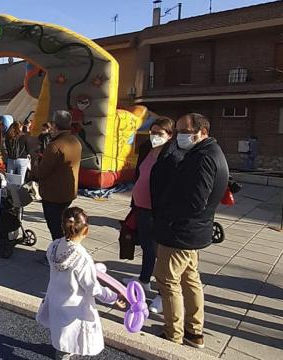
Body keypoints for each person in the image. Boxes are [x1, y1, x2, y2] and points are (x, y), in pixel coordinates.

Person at [153, 113, 229, 349]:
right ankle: (194, 332)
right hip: (193, 231)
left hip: (181, 232)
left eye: (184, 131)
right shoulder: (206, 153)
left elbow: (195, 201)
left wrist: (168, 215)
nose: (179, 136)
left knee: (167, 281)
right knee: (190, 279)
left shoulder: (203, 157)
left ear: (202, 132)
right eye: (177, 131)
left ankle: (173, 333)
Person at [37, 207, 120, 360]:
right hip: (74, 304)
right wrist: (113, 297)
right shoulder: (82, 258)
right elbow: (92, 288)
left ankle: (60, 348)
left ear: (63, 226)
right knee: (72, 331)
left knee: (60, 329)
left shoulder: (53, 246)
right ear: (86, 230)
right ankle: (63, 353)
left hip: (56, 298)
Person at [121, 117, 178, 312]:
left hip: (158, 211)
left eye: (159, 134)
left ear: (169, 136)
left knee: (160, 253)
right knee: (146, 246)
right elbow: (140, 176)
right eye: (153, 132)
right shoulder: (147, 149)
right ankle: (144, 280)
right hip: (141, 207)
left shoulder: (172, 155)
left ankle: (163, 295)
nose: (155, 137)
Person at [32, 110, 83, 240]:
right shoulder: (75, 142)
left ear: (54, 125)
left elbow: (41, 172)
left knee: (55, 226)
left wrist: (36, 161)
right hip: (68, 191)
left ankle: (58, 254)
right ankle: (64, 249)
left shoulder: (55, 146)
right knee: (63, 224)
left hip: (53, 194)